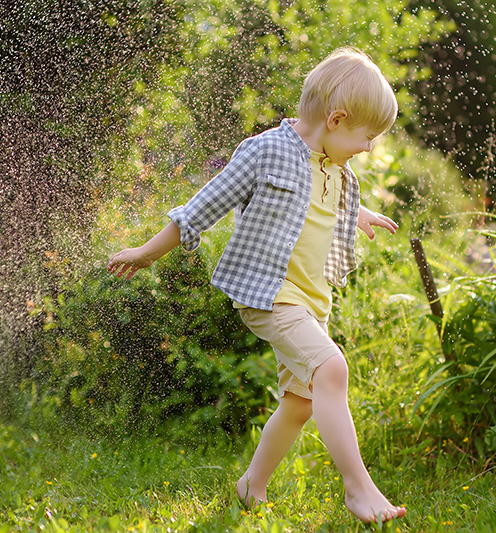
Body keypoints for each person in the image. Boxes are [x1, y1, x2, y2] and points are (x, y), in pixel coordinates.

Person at [107, 47, 406, 523]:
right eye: (366, 137)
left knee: (300, 403)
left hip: (312, 301)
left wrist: (360, 214)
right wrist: (146, 253)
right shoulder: (265, 152)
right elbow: (201, 208)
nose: (368, 148)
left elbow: (325, 204)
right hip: (271, 295)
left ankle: (251, 486)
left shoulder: (336, 167)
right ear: (336, 118)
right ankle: (359, 489)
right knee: (332, 371)